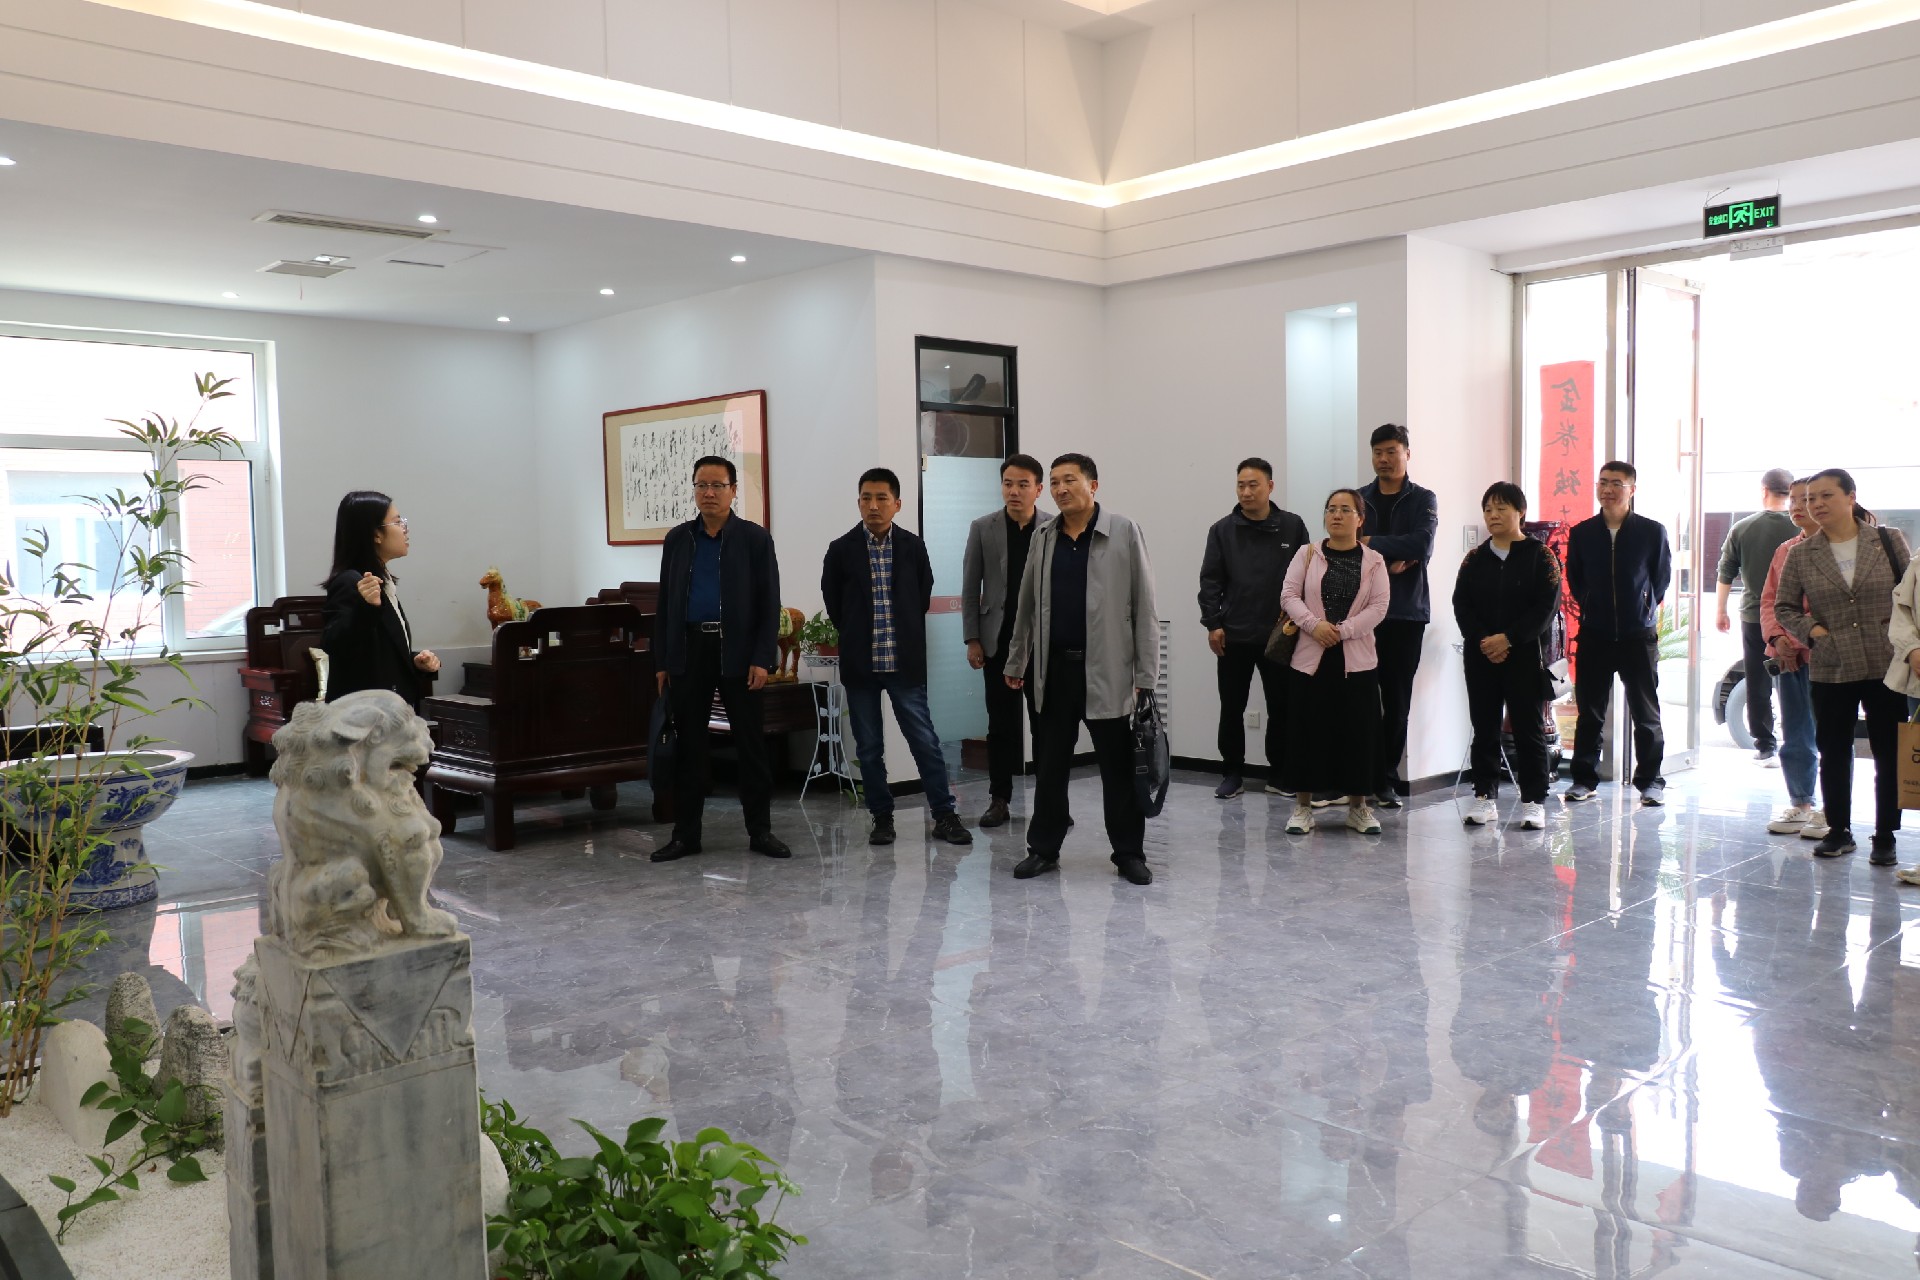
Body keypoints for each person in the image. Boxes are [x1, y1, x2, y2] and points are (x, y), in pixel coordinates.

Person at [1002, 454, 1160, 886]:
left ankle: (1128, 853)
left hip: (1108, 671)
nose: (1060, 489)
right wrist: (1017, 660)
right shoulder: (1044, 536)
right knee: (1050, 767)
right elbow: (1026, 606)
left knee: (1118, 769)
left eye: (1069, 480)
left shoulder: (1123, 531)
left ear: (1093, 485)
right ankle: (1043, 848)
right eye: (1054, 482)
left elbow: (1144, 606)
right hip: (1054, 672)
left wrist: (1146, 675)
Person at [649, 455, 791, 864]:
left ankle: (760, 832)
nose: (708, 493)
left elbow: (769, 603)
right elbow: (666, 603)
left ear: (733, 490)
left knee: (750, 745)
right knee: (690, 747)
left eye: (717, 485)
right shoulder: (678, 539)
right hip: (689, 651)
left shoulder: (754, 539)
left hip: (740, 652)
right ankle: (685, 835)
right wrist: (663, 661)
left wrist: (763, 658)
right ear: (694, 489)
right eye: (701, 485)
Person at [822, 468, 974, 848]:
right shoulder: (840, 550)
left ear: (897, 504)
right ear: (858, 502)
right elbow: (835, 604)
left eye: (882, 498)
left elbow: (922, 595)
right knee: (869, 748)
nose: (873, 506)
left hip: (903, 662)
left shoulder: (912, 547)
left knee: (924, 741)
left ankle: (944, 814)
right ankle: (881, 817)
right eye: (866, 498)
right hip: (861, 665)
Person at [1773, 468, 1912, 863]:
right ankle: (1838, 830)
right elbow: (1784, 606)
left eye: (1825, 495)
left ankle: (1885, 835)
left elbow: (1911, 596)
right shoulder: (1801, 553)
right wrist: (1814, 632)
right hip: (1832, 665)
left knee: (1888, 751)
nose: (1815, 504)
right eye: (1810, 498)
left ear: (1851, 497)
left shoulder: (1887, 540)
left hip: (1886, 661)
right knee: (1833, 751)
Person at [1279, 489, 1391, 836]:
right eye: (1331, 509)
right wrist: (1314, 625)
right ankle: (1302, 808)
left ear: (1360, 519)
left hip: (1356, 660)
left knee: (1359, 733)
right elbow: (1288, 595)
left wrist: (1342, 631)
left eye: (1345, 510)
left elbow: (1379, 607)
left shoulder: (1374, 561)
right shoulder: (1307, 554)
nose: (1336, 515)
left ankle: (1359, 808)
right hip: (1310, 658)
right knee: (1307, 731)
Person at [1197, 457, 1310, 799]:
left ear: (1270, 487)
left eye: (1253, 485)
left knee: (1282, 707)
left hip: (1281, 635)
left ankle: (1280, 774)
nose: (1246, 492)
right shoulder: (1221, 530)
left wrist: (1302, 621)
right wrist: (1213, 623)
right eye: (1241, 486)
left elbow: (1306, 578)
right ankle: (1232, 773)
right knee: (1232, 707)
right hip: (1234, 634)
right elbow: (1210, 581)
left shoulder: (1292, 526)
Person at [1453, 483, 1562, 831]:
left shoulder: (1541, 556)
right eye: (1488, 509)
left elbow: (1546, 607)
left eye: (1501, 508)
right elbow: (1461, 604)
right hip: (1481, 654)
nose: (1493, 515)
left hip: (1524, 654)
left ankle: (1533, 801)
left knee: (1528, 729)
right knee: (1484, 727)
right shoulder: (1474, 559)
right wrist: (1485, 640)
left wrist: (1509, 639)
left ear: (1520, 512)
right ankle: (1484, 796)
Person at [1563, 460, 1672, 806]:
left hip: (1637, 636)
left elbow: (1661, 579)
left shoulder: (1651, 532)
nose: (1608, 489)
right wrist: (1592, 604)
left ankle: (1650, 781)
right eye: (1603, 482)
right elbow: (1576, 579)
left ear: (1632, 490)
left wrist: (1642, 606)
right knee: (1590, 712)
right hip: (1594, 633)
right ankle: (1583, 779)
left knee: (1646, 713)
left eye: (1616, 484)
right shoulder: (1583, 533)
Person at [961, 454, 1054, 827]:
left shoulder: (1053, 527)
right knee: (1000, 726)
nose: (1014, 491)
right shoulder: (983, 528)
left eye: (1022, 484)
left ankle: (1051, 802)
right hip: (998, 643)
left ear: (1038, 489)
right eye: (1008, 483)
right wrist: (972, 638)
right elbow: (971, 587)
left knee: (1045, 726)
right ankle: (999, 799)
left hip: (1043, 646)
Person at [1358, 424, 1438, 809]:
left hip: (1406, 613)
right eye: (1378, 452)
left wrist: (1371, 543)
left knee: (1397, 700)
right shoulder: (1359, 499)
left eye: (1391, 451)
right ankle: (1360, 775)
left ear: (1407, 453)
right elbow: (1347, 548)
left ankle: (1386, 778)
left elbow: (1422, 544)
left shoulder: (1423, 499)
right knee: (1360, 699)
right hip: (1361, 616)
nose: (1384, 459)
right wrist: (1385, 558)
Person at [321, 490, 440, 709]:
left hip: (390, 712)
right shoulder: (351, 581)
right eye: (397, 522)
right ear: (376, 534)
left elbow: (379, 653)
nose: (405, 529)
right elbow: (334, 644)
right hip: (363, 716)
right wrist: (367, 608)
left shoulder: (382, 581)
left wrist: (415, 662)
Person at [1715, 467, 1799, 762]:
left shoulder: (1742, 528)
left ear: (1764, 491)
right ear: (1791, 492)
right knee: (1795, 678)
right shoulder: (1803, 527)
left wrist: (1721, 610)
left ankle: (1765, 744)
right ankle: (1797, 739)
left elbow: (1725, 572)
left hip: (1754, 616)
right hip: (1795, 618)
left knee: (1757, 679)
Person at [1760, 478, 1828, 841]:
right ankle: (1801, 802)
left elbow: (1833, 608)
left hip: (1828, 655)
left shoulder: (1839, 548)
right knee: (1795, 731)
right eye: (1794, 501)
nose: (1798, 507)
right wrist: (1777, 638)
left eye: (1807, 500)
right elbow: (1769, 601)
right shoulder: (1785, 550)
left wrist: (1796, 637)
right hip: (1788, 655)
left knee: (1832, 734)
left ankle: (1832, 809)